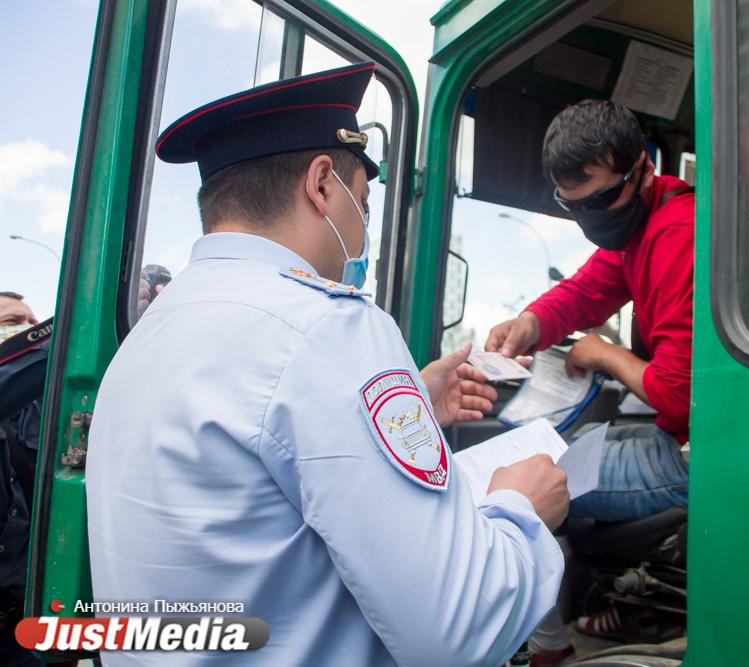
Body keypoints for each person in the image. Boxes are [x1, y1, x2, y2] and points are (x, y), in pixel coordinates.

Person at [86, 62, 570, 666]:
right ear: (321, 185)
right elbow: (459, 629)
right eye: (362, 203)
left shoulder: (150, 335)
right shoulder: (326, 326)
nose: (363, 226)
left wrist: (412, 397)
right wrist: (518, 508)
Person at [485, 100, 694, 662]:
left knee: (529, 488)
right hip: (677, 437)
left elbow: (679, 394)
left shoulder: (677, 232)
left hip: (704, 456)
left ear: (644, 171)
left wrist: (603, 353)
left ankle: (549, 648)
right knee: (559, 454)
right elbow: (580, 293)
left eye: (601, 200)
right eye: (572, 206)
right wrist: (529, 322)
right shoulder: (639, 230)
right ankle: (600, 603)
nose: (591, 217)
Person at [0, 295, 49, 667]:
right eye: (15, 320)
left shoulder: (38, 405)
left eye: (33, 319)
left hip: (28, 617)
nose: (30, 326)